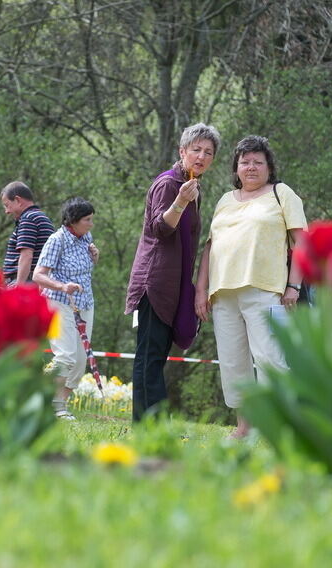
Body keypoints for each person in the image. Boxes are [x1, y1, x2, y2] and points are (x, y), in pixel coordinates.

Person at [194, 135, 307, 439]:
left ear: (269, 167)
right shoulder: (225, 201)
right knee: (233, 363)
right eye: (245, 161)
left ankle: (278, 427)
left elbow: (303, 243)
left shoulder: (281, 194)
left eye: (258, 161)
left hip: (266, 288)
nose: (251, 167)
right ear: (236, 167)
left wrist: (293, 286)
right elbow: (210, 247)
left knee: (271, 359)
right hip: (223, 293)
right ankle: (244, 428)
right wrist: (200, 289)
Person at [125, 123, 221, 422]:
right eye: (196, 150)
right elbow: (161, 228)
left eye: (208, 152)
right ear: (182, 151)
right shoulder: (169, 184)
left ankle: (153, 422)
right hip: (154, 283)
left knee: (158, 355)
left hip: (173, 285)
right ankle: (148, 425)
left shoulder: (193, 185)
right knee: (149, 356)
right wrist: (180, 201)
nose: (201, 157)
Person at [33, 197, 99, 420]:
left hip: (85, 303)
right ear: (73, 221)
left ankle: (60, 404)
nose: (91, 224)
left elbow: (83, 268)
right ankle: (41, 399)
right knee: (66, 356)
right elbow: (38, 275)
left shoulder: (85, 238)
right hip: (59, 302)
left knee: (81, 361)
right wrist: (63, 286)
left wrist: (94, 258)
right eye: (87, 220)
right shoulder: (56, 240)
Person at [0, 181, 54, 286]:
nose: (7, 211)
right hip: (37, 282)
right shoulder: (43, 218)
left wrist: (18, 288)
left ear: (18, 200)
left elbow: (26, 255)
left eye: (7, 205)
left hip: (25, 282)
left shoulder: (28, 219)